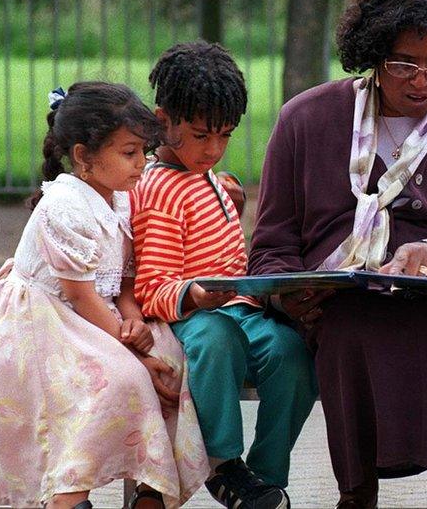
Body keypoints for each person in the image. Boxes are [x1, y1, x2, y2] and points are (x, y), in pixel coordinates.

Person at [247, 0, 427, 507]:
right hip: (340, 296)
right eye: (403, 64)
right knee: (347, 323)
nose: (421, 79)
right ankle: (356, 491)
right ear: (372, 53)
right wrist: (292, 294)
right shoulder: (306, 118)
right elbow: (272, 242)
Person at [0, 82, 209, 509]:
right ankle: (68, 494)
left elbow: (123, 277)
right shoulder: (63, 205)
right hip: (43, 323)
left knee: (170, 359)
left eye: (143, 152)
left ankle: (151, 491)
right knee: (115, 380)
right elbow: (80, 296)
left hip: (94, 315)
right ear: (83, 156)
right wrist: (131, 348)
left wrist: (132, 319)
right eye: (129, 153)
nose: (140, 165)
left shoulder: (120, 199)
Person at [131, 41, 318, 509]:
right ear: (162, 121)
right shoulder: (157, 190)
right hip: (189, 319)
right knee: (218, 339)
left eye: (225, 136)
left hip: (236, 310)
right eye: (199, 136)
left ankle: (265, 475)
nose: (213, 149)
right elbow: (150, 288)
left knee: (292, 352)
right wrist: (194, 295)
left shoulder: (212, 178)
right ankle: (224, 466)